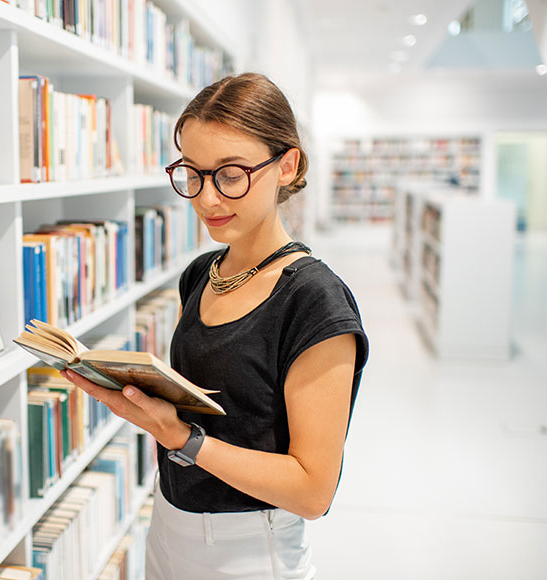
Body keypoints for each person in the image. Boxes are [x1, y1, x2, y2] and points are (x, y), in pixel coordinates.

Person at [60, 72, 369, 579]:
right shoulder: (202, 273)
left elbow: (313, 490)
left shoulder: (314, 300)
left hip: (249, 550)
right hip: (168, 525)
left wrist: (182, 438)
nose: (207, 199)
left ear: (286, 165)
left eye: (230, 175)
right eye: (193, 174)